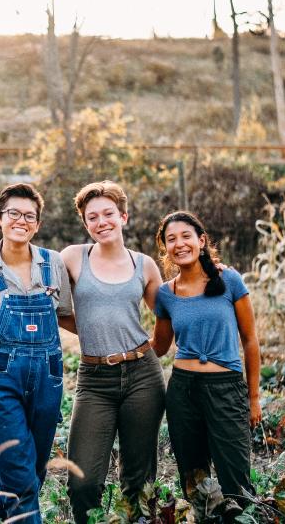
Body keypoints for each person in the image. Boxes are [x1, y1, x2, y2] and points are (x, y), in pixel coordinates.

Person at [0, 183, 73, 524]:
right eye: (13, 213)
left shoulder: (53, 263)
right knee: (21, 477)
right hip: (2, 381)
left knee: (31, 473)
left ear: (38, 224)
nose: (21, 221)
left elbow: (66, 314)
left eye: (30, 216)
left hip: (48, 381)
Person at [60, 181, 166, 523]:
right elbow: (53, 301)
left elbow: (166, 314)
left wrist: (156, 348)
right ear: (85, 223)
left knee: (138, 479)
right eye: (92, 217)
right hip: (94, 381)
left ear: (123, 217)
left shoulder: (145, 265)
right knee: (83, 480)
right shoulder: (72, 258)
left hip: (142, 377)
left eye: (108, 213)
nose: (101, 221)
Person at [151, 210, 261, 504]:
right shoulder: (166, 293)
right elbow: (159, 347)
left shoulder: (229, 280)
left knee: (236, 481)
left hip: (226, 388)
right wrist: (118, 342)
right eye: (171, 239)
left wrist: (253, 398)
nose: (179, 244)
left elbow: (250, 341)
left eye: (186, 236)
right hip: (182, 391)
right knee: (194, 480)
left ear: (201, 240)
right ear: (166, 248)